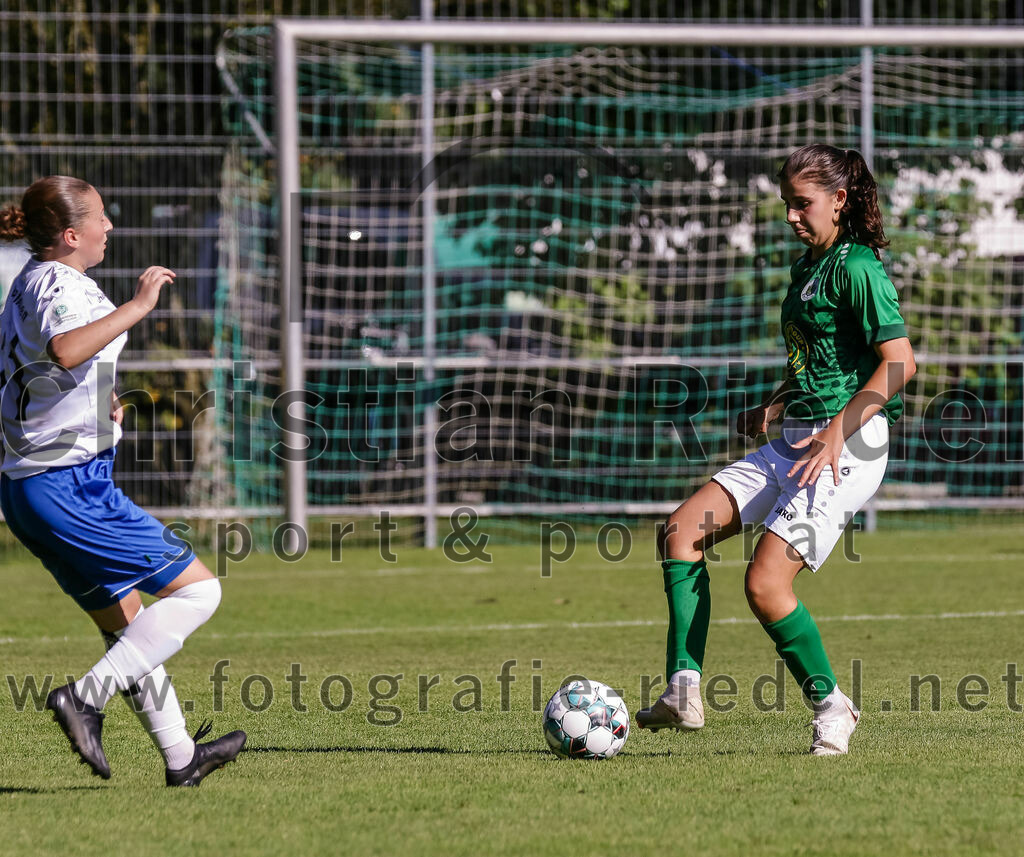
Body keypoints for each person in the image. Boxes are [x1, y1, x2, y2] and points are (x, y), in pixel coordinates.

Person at [636, 145, 916, 755]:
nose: (791, 214)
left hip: (848, 444)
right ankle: (683, 688)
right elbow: (818, 361)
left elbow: (898, 365)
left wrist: (837, 432)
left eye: (802, 203)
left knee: (765, 585)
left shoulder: (860, 269)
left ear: (839, 200)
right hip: (794, 437)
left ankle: (832, 706)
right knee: (681, 531)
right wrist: (775, 403)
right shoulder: (808, 267)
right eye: (786, 203)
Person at [0, 176, 246, 785]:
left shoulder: (33, 281)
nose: (111, 228)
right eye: (102, 218)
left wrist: (98, 400)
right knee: (200, 593)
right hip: (67, 486)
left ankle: (182, 758)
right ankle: (84, 698)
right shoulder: (56, 281)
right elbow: (63, 349)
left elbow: (43, 369)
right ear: (71, 234)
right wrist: (138, 307)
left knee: (129, 626)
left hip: (34, 483)